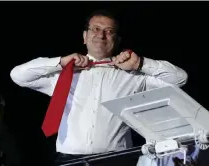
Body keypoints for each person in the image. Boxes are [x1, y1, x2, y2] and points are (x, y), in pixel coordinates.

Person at [10, 10, 188, 165]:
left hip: (116, 160)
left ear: (116, 40)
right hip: (68, 159)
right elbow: (17, 75)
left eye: (108, 31)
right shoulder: (64, 74)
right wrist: (60, 62)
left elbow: (180, 79)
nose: (101, 35)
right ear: (84, 36)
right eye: (95, 29)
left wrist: (140, 64)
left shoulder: (133, 75)